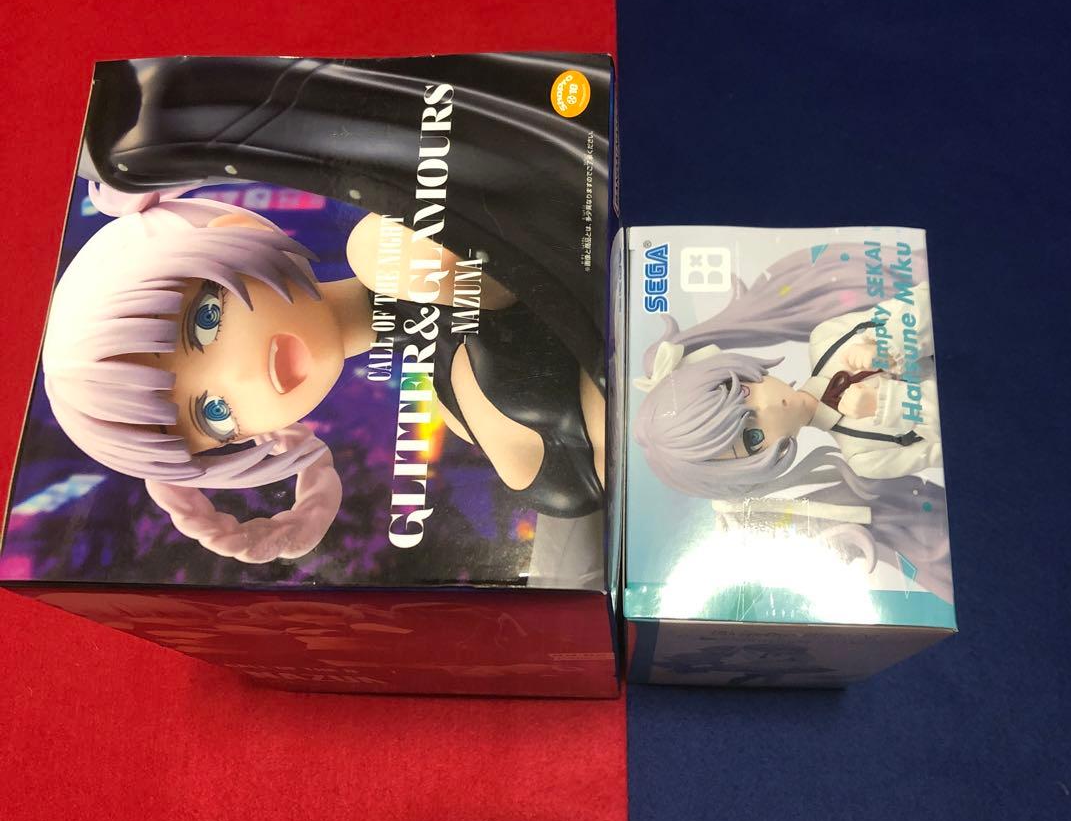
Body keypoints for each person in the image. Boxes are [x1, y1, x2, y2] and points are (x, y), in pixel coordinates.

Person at [42, 182, 604, 564]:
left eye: (207, 319)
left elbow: (516, 258)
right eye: (216, 415)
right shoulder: (446, 389)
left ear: (239, 229)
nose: (248, 377)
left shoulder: (379, 250)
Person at [632, 243, 952, 602]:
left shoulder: (828, 340)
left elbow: (927, 302)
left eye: (743, 392)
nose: (772, 406)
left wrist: (889, 343)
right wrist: (888, 404)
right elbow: (949, 444)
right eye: (753, 438)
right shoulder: (866, 457)